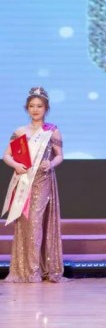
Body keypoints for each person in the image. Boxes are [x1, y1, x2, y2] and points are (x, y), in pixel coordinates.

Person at [2, 87, 65, 283]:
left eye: (39, 106)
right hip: (24, 180)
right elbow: (7, 155)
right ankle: (24, 270)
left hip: (43, 179)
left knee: (36, 222)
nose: (35, 110)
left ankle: (35, 270)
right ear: (27, 108)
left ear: (46, 108)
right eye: (32, 106)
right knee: (25, 222)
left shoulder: (51, 130)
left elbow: (60, 156)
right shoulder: (20, 131)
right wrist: (15, 165)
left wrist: (51, 163)